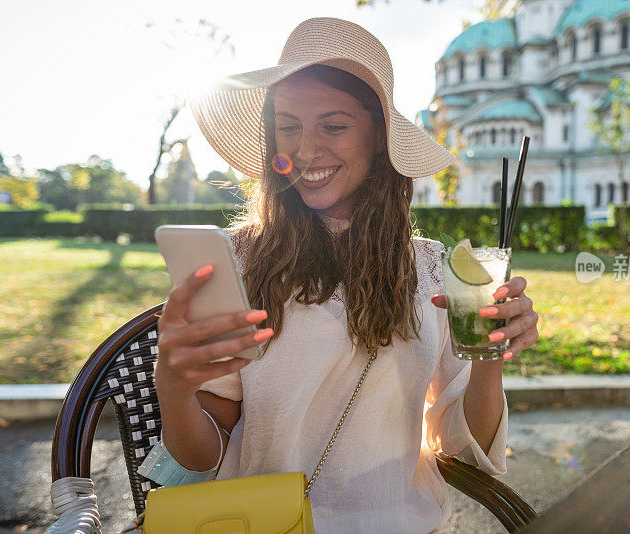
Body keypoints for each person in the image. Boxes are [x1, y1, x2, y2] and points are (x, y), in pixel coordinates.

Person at [139, 17, 539, 534]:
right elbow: (201, 457)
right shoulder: (239, 261)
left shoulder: (431, 267)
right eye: (289, 126)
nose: (306, 151)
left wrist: (490, 358)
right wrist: (173, 389)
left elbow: (462, 447)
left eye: (333, 126)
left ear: (379, 138)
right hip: (263, 525)